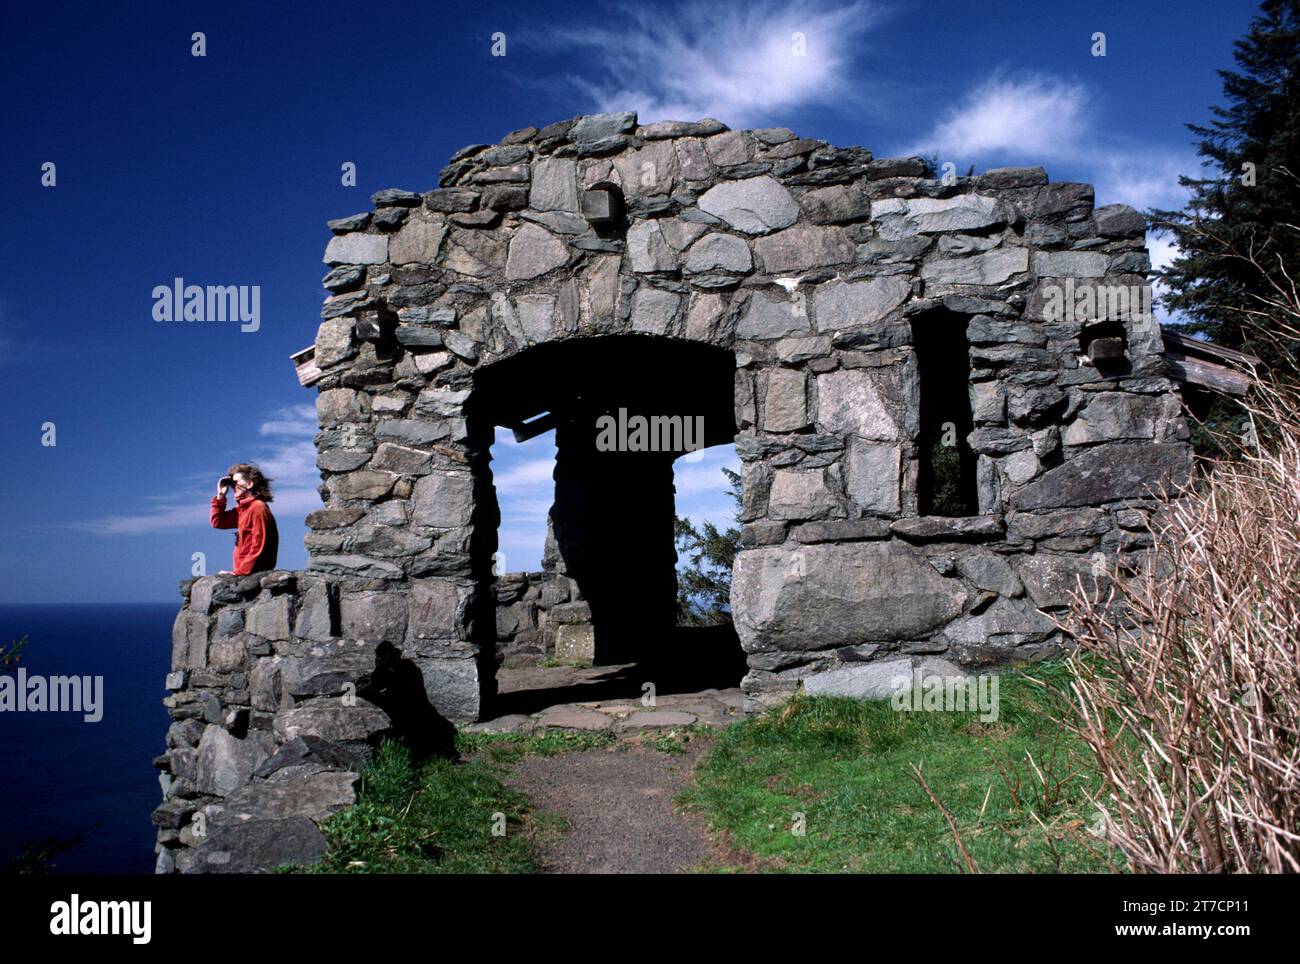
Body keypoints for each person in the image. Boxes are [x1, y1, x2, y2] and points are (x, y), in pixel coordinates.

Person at [210, 463, 279, 576]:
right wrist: (220, 496)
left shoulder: (258, 507)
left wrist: (239, 573)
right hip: (244, 573)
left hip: (254, 574)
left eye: (236, 483)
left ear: (249, 484)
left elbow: (260, 544)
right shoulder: (242, 510)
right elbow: (218, 522)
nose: (233, 487)